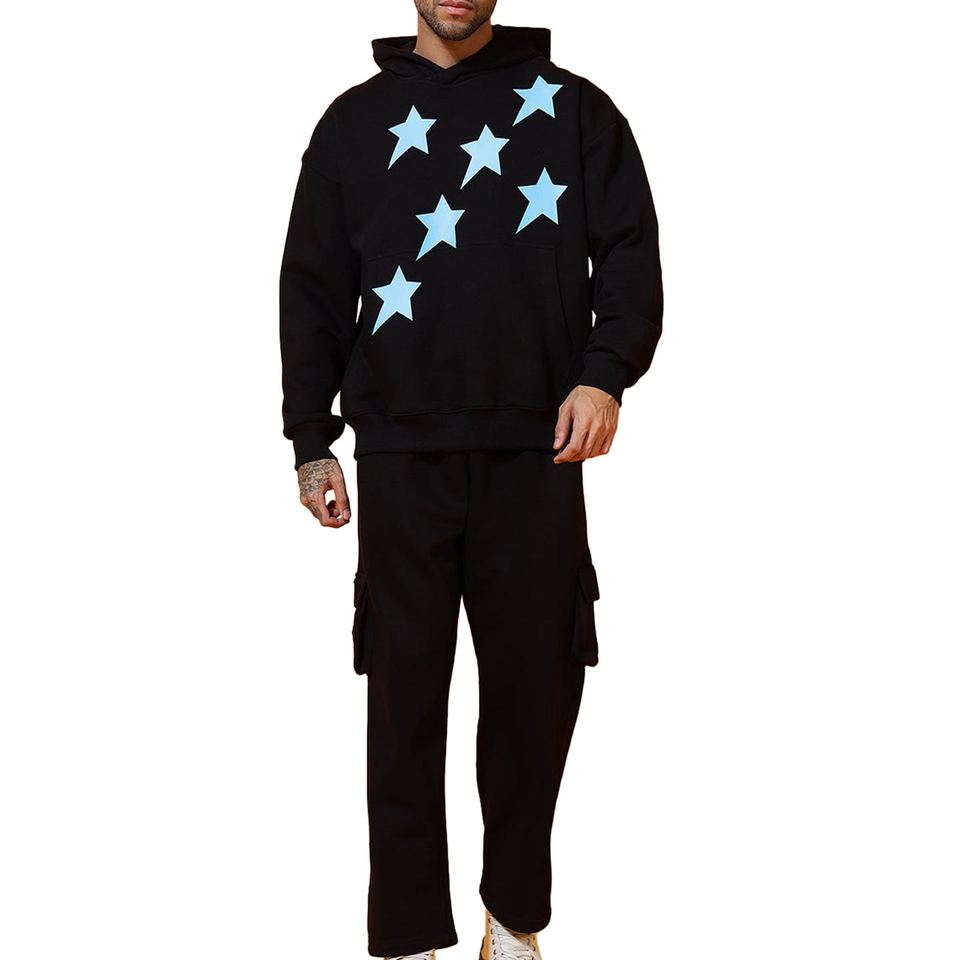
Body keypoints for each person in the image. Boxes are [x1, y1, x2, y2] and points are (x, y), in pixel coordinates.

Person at [279, 1, 662, 956]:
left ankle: (513, 918)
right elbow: (312, 287)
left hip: (538, 449)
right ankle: (410, 934)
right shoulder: (353, 122)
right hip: (399, 456)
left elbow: (630, 254)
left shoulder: (576, 110)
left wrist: (604, 374)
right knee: (403, 704)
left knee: (538, 695)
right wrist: (312, 441)